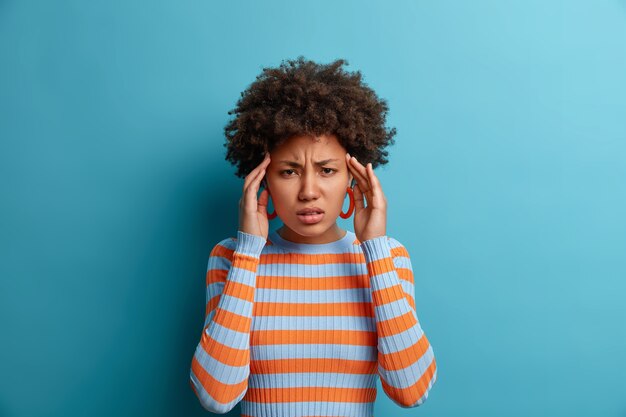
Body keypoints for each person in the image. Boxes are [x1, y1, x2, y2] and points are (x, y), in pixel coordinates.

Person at [189, 56, 437, 416]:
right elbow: (216, 396)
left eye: (327, 170)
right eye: (289, 171)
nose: (308, 191)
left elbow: (411, 390)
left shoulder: (389, 258)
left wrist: (375, 250)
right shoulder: (230, 257)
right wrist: (248, 253)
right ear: (263, 180)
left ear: (352, 177)